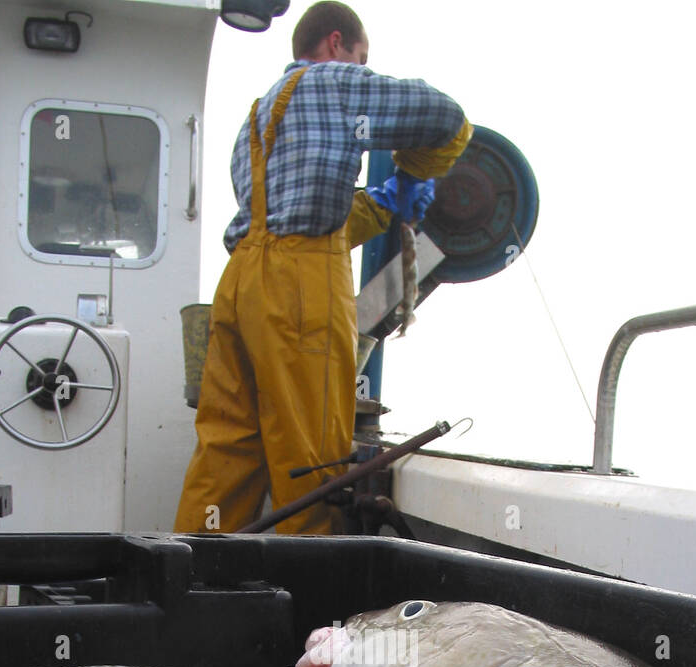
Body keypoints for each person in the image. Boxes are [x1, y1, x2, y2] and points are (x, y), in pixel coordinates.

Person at [174, 1, 472, 536]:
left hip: (241, 285)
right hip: (298, 291)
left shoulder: (257, 118)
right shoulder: (334, 83)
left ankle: (195, 576)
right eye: (362, 56)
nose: (362, 67)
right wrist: (414, 175)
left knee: (225, 450)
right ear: (337, 43)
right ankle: (305, 602)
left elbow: (303, 221)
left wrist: (381, 205)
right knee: (308, 459)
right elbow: (447, 120)